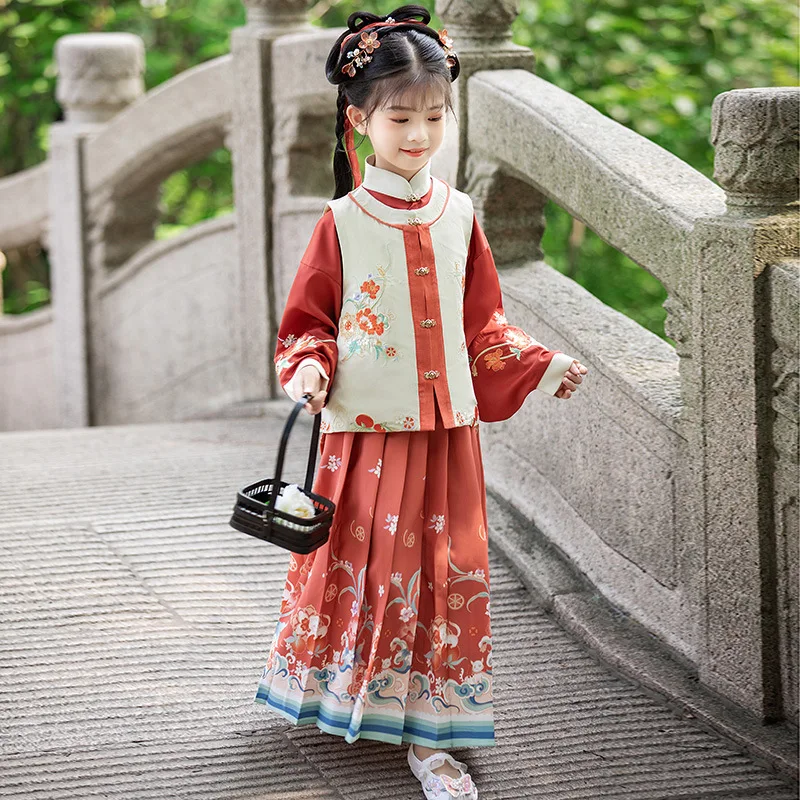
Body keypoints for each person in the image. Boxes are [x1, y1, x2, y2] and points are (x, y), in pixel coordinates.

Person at [253, 6, 589, 798]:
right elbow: (307, 324)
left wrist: (539, 365)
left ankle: (433, 737)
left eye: (434, 117)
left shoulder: (460, 215)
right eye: (400, 117)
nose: (418, 134)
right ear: (359, 119)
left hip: (448, 438)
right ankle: (354, 699)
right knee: (369, 570)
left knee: (446, 574)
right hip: (366, 437)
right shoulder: (341, 221)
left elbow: (485, 325)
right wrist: (308, 368)